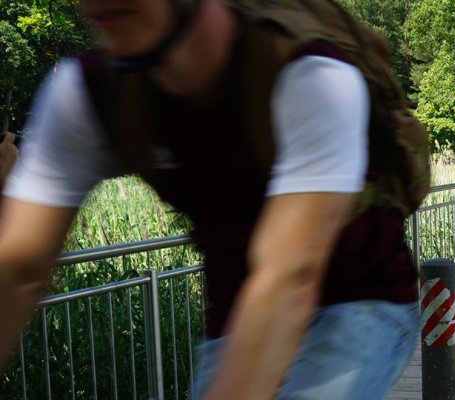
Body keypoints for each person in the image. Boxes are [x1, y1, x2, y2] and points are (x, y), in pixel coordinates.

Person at [0, 0, 423, 398]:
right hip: (239, 311)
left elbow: (290, 276)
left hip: (360, 300)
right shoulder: (89, 92)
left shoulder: (310, 74)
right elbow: (18, 268)